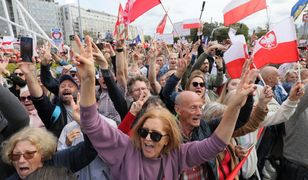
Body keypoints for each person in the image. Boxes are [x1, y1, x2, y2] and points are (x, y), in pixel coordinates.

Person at [74, 35, 258, 179]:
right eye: (143, 132)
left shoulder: (177, 155)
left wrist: (235, 104)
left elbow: (217, 143)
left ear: (168, 139)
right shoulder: (124, 147)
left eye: (155, 135)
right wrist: (89, 79)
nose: (147, 139)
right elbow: (91, 123)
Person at [2, 127, 97, 180]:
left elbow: (91, 149)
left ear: (42, 154)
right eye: (16, 156)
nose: (21, 160)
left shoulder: (60, 161)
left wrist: (86, 121)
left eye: (29, 154)